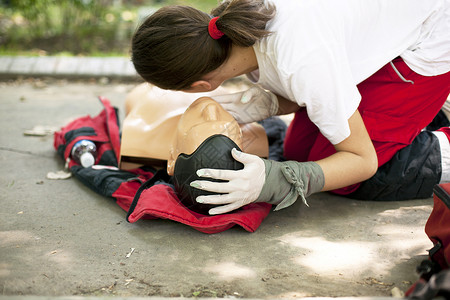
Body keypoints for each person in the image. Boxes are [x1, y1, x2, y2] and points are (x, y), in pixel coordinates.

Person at [131, 0, 450, 215]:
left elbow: (362, 160)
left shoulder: (300, 58)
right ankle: (402, 119)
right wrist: (267, 101)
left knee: (343, 175)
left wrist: (277, 180)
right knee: (299, 149)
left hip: (430, 36)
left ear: (199, 86)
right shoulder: (242, 21)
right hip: (373, 28)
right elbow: (306, 75)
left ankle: (440, 143)